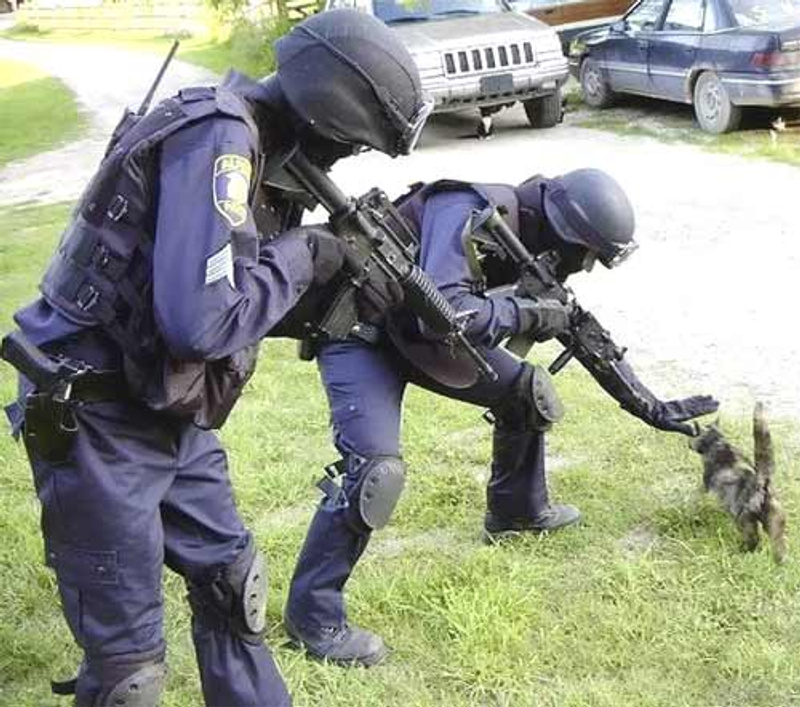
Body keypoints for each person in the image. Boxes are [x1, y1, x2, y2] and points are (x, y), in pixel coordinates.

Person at [1, 9, 431, 707]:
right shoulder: (219, 137)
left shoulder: (258, 149)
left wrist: (337, 295)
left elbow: (227, 301)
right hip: (96, 413)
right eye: (353, 142)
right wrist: (307, 254)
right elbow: (200, 324)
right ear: (325, 112)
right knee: (129, 672)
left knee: (234, 584)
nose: (344, 159)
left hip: (164, 403)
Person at [283, 168, 719, 667]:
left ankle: (516, 512)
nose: (585, 268)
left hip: (425, 338)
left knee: (527, 392)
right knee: (375, 475)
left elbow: (581, 331)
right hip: (363, 335)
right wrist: (529, 312)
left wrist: (650, 406)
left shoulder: (530, 245)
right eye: (587, 255)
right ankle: (313, 618)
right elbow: (446, 309)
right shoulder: (464, 207)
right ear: (566, 233)